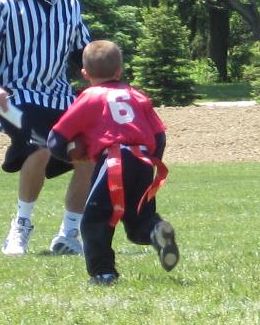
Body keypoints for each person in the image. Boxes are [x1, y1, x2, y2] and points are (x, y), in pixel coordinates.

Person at [0, 0, 93, 255]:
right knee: (39, 147)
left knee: (88, 154)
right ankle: (20, 227)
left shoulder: (69, 2)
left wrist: (101, 81)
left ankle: (69, 234)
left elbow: (82, 52)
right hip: (13, 98)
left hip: (59, 97)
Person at [47, 40, 179, 285]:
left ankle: (103, 273)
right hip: (142, 160)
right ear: (119, 70)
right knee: (139, 216)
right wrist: (153, 162)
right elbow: (159, 135)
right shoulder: (136, 95)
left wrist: (72, 157)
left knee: (95, 220)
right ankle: (155, 230)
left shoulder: (89, 97)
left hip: (114, 162)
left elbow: (56, 138)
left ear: (85, 73)